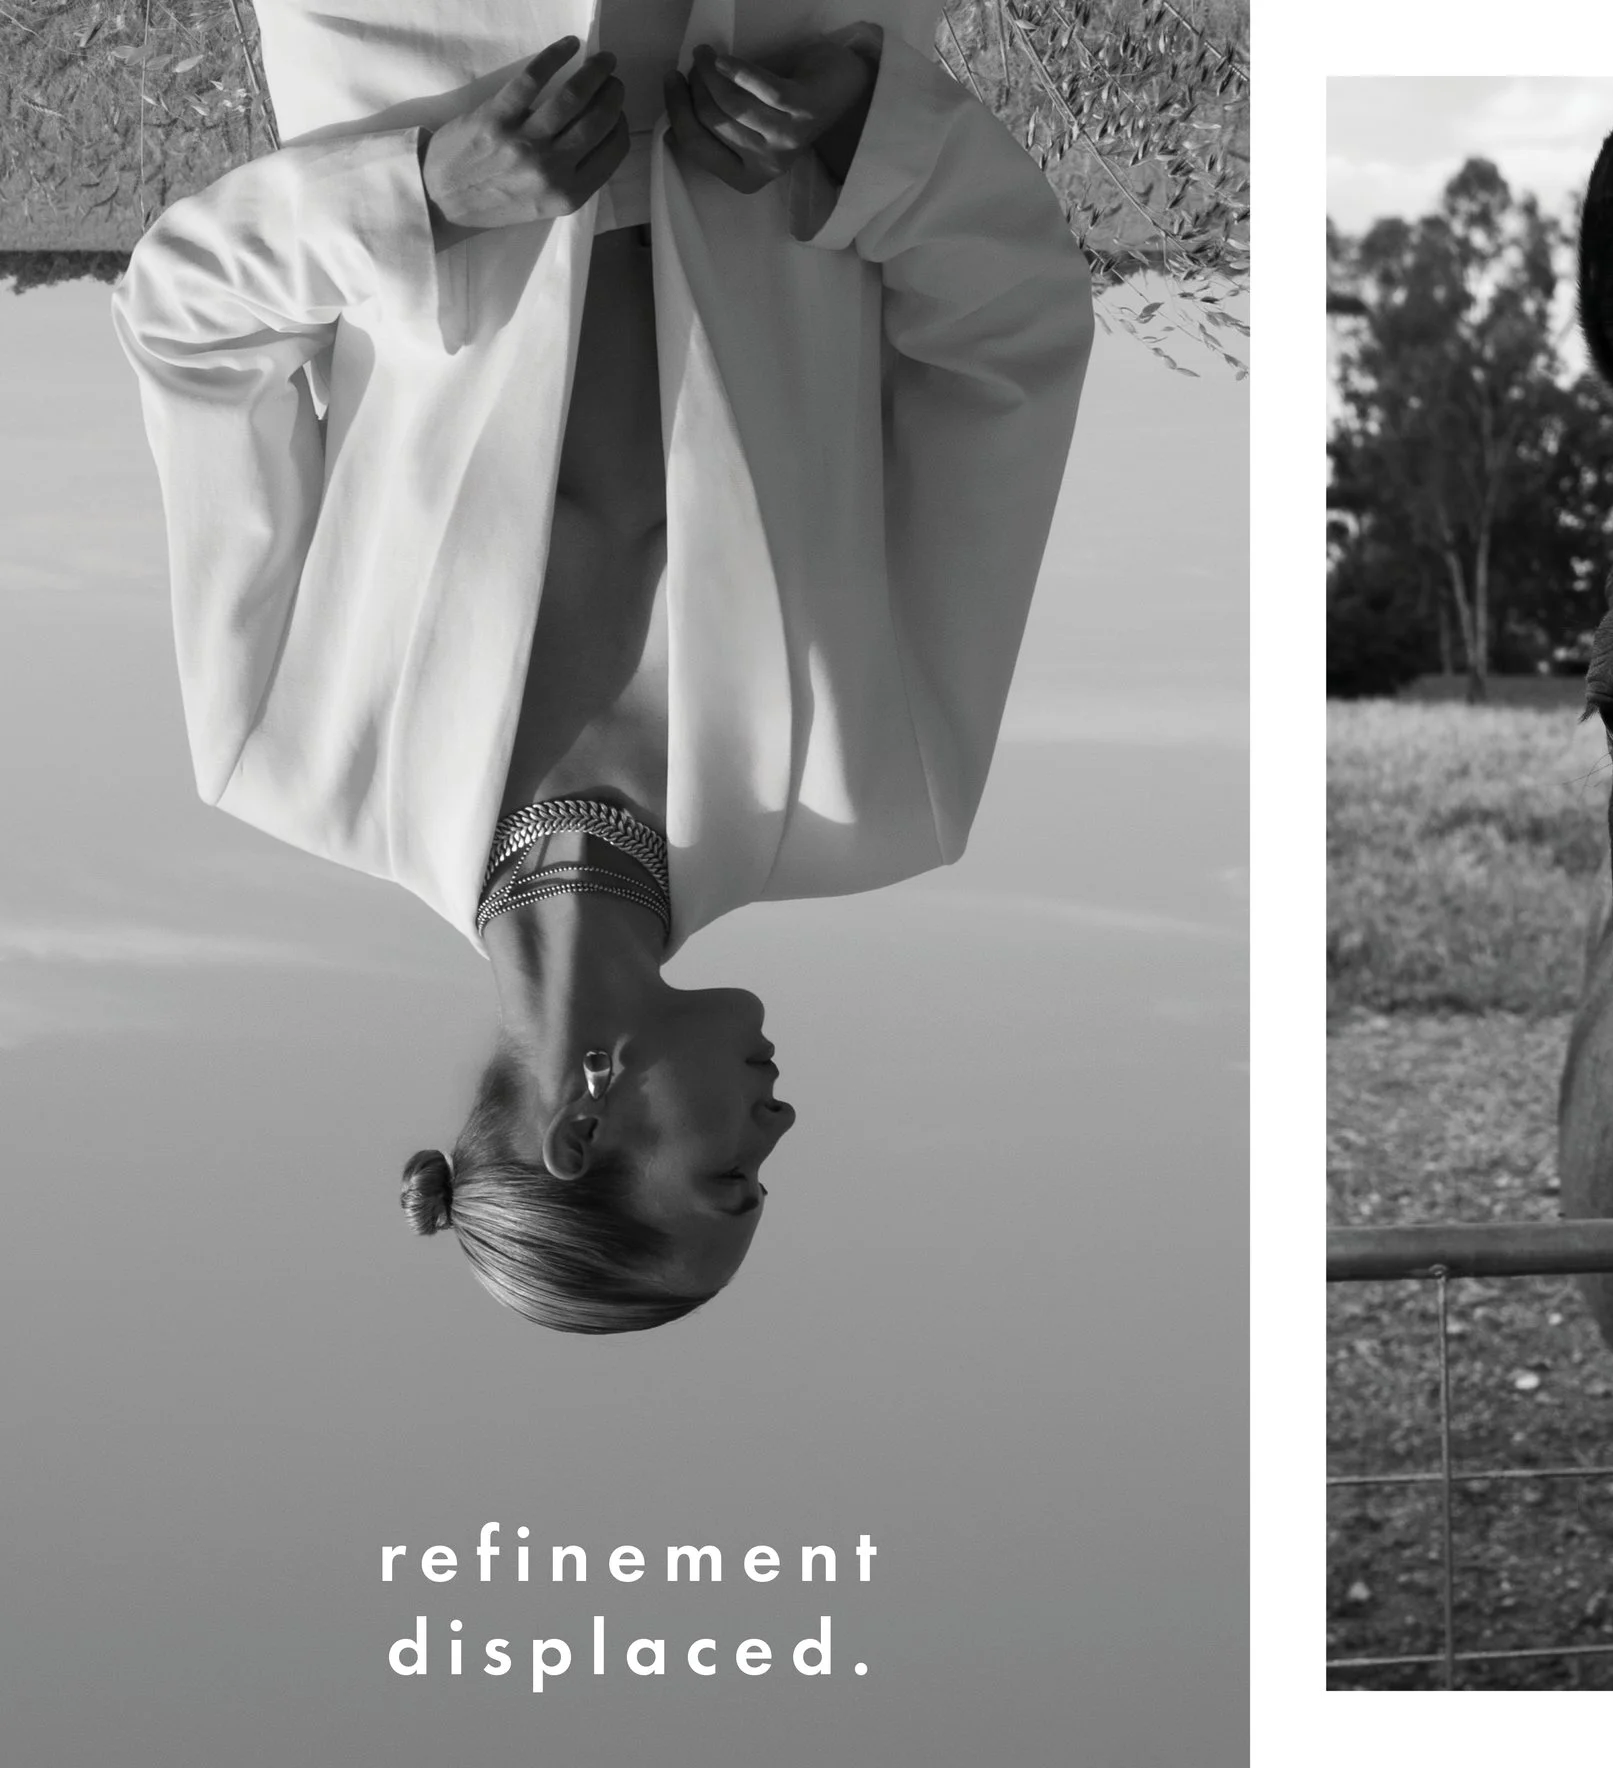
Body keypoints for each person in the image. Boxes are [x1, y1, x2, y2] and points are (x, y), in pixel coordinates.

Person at [114, 2, 1094, 1332]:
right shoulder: (885, 795)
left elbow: (190, 328)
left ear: (584, 1130)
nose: (782, 1124)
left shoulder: (286, 755)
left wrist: (419, 196)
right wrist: (869, 141)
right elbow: (1009, 345)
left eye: (733, 1177)